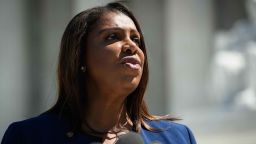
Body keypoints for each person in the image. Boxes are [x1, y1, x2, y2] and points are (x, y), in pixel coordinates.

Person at [1, 2, 196, 144]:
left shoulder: (177, 137)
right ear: (80, 58)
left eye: (136, 39)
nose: (131, 46)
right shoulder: (28, 137)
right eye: (112, 36)